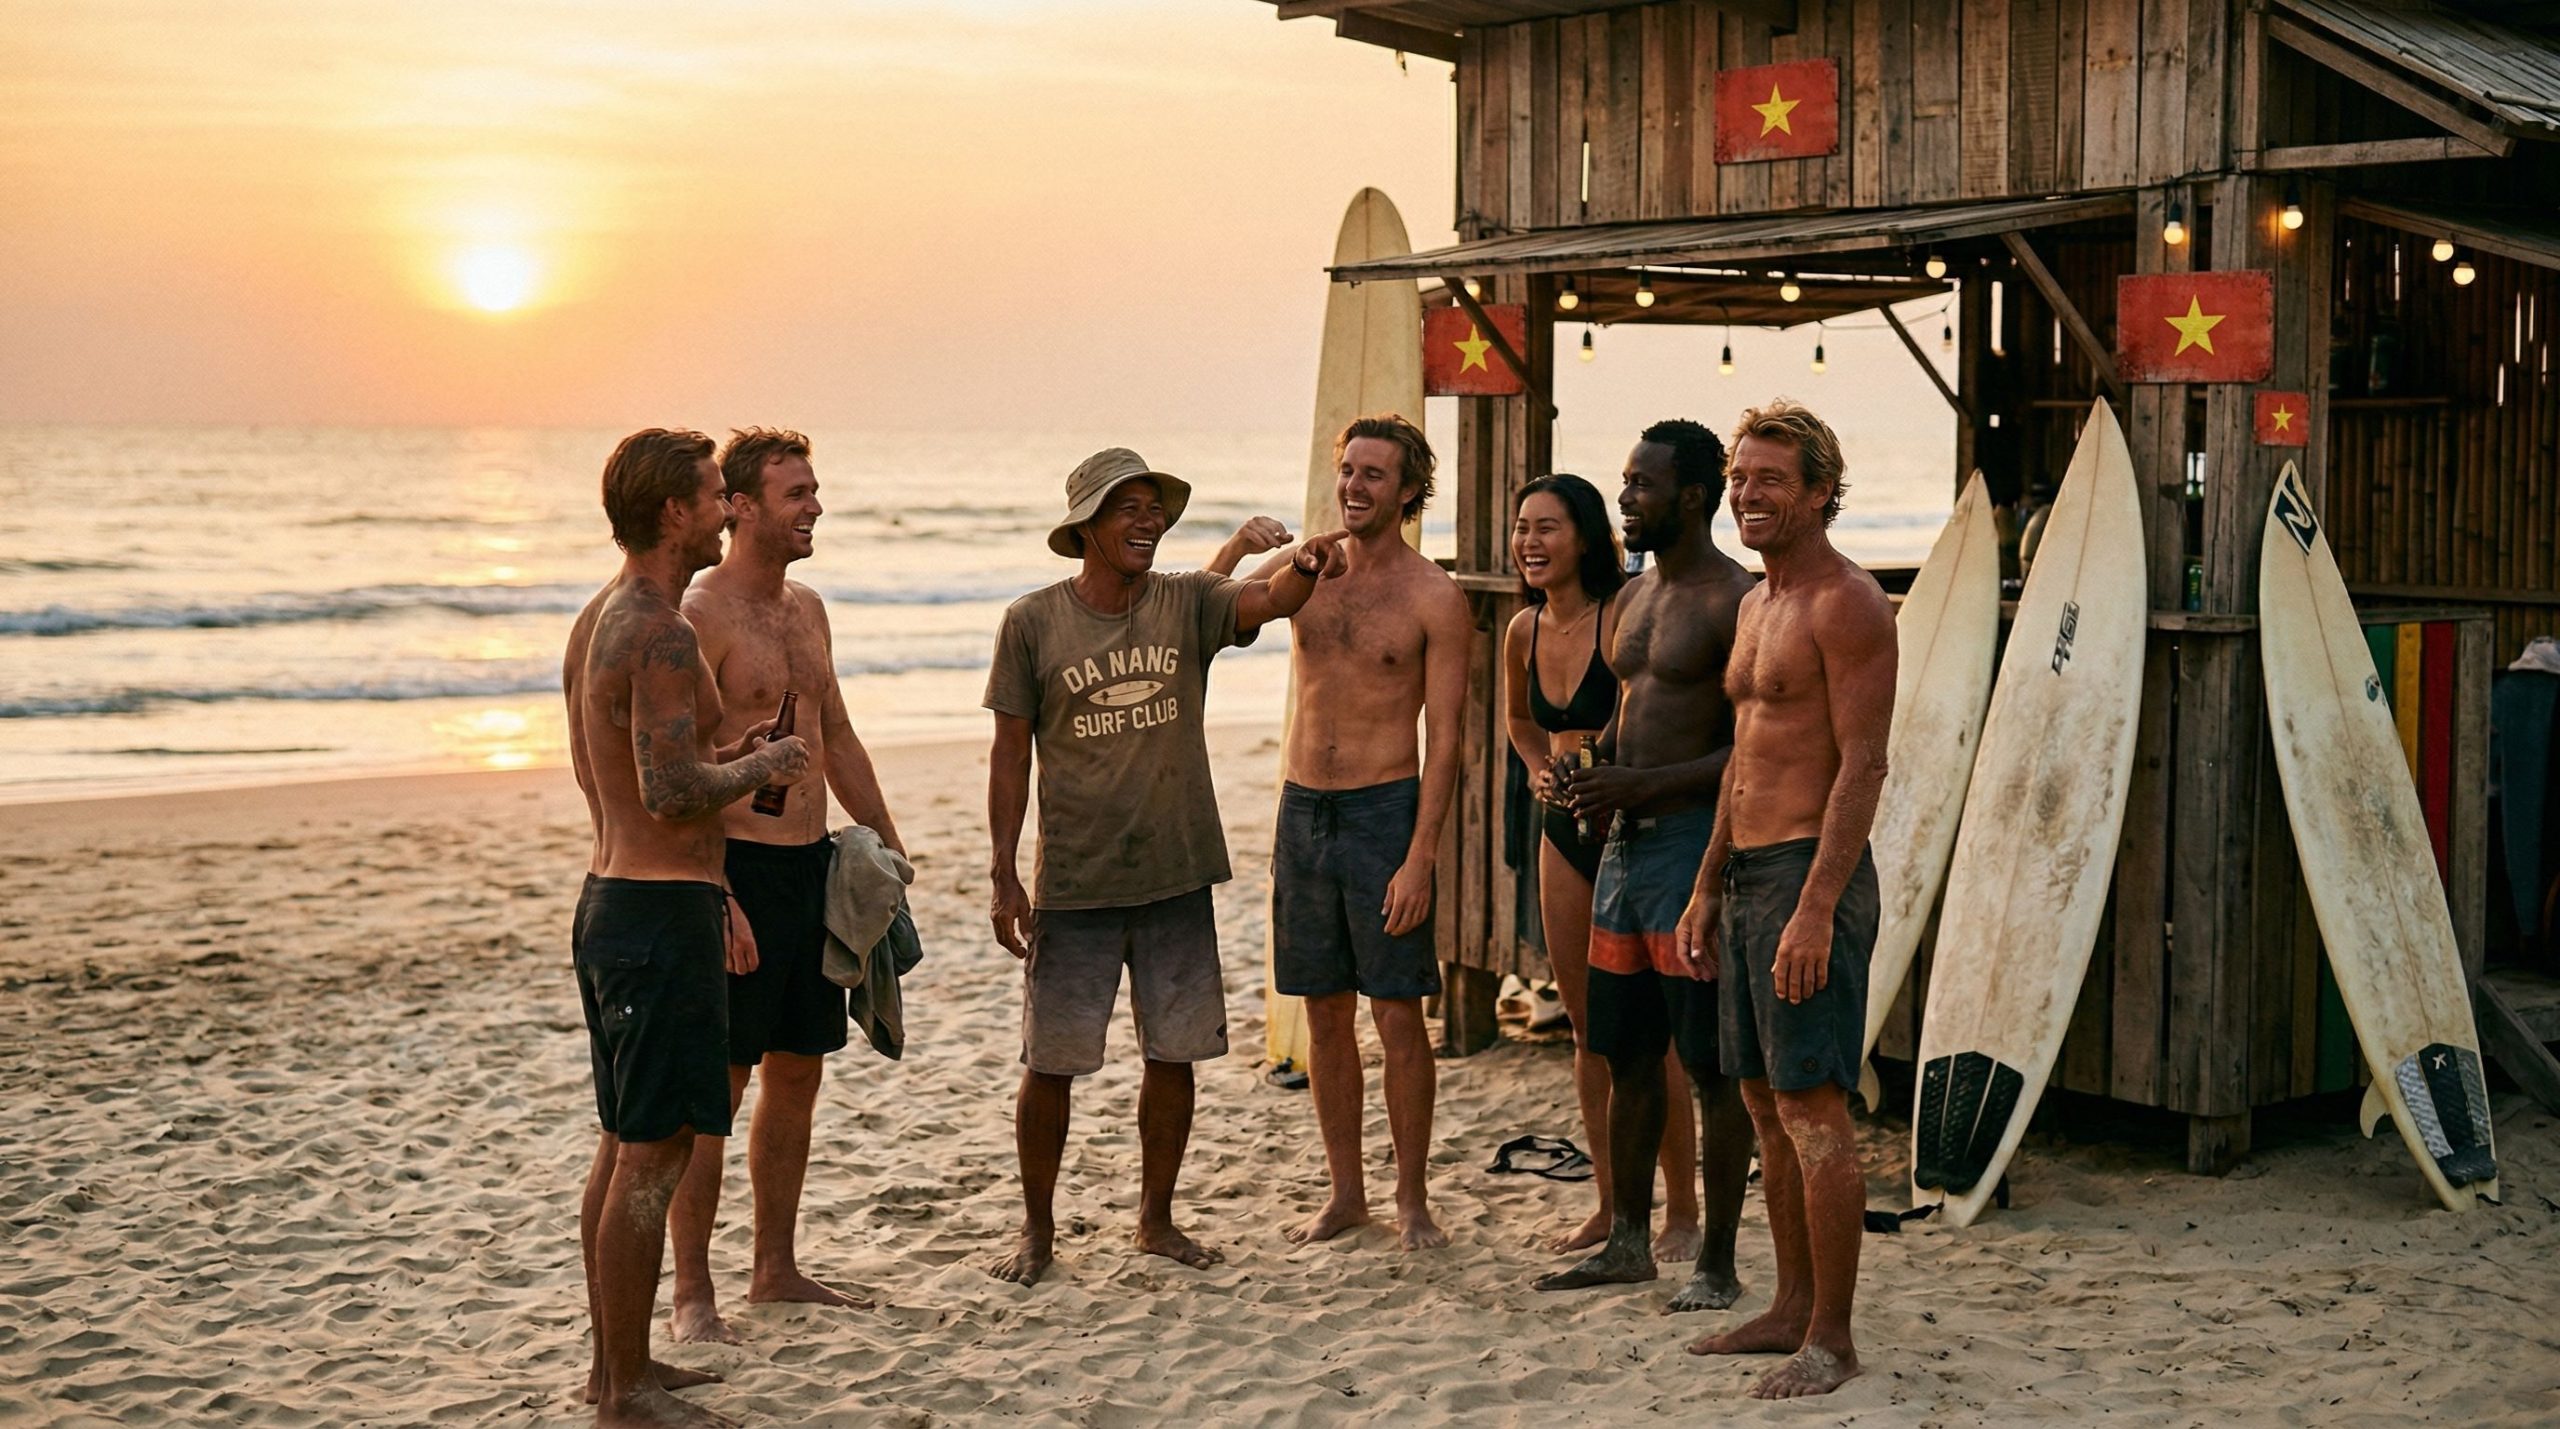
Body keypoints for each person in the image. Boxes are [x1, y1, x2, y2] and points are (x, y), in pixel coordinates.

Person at [983, 446, 1346, 1288]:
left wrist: (1308, 563)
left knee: (1173, 1055)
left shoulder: (1188, 599)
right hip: (1075, 880)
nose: (1148, 520)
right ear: (1086, 527)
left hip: (1178, 871)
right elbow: (1008, 758)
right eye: (1128, 507)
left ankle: (1156, 1219)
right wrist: (1004, 872)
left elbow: (1267, 598)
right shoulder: (1033, 622)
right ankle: (1037, 1231)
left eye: (1155, 507)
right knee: (1051, 1065)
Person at [562, 428, 809, 1429]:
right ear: (674, 512)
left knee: (624, 1143)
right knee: (653, 1153)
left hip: (613, 894)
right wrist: (768, 763)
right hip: (659, 910)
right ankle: (622, 1388)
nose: (723, 511)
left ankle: (617, 1366)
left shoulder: (598, 616)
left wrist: (729, 745)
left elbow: (614, 773)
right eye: (713, 495)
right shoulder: (660, 629)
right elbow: (670, 792)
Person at [666, 429, 905, 1344]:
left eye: (814, 490)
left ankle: (774, 1266)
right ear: (738, 506)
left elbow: (835, 731)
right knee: (716, 1088)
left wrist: (885, 842)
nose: (814, 505)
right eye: (796, 492)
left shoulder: (807, 607)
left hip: (813, 865)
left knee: (798, 1072)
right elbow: (682, 767)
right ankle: (694, 1293)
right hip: (734, 871)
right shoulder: (702, 612)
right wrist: (715, 890)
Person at [1677, 400, 1894, 1399]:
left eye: (1769, 479)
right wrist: (1707, 882)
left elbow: (1861, 765)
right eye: (1738, 477)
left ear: (1817, 492)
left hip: (1813, 875)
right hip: (1749, 877)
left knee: (1813, 1111)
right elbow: (1743, 758)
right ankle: (1789, 1307)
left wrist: (1815, 907)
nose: (1746, 494)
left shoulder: (1845, 603)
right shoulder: (1757, 604)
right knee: (1763, 1105)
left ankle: (1834, 1340)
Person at [1534, 420, 1754, 1316]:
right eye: (1624, 482)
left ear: (1694, 496)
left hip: (1691, 850)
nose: (1625, 497)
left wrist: (1643, 780)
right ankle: (1628, 1239)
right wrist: (1591, 773)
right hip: (1621, 849)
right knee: (1621, 1046)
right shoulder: (1631, 599)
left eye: (1642, 485)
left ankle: (1717, 1260)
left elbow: (1749, 750)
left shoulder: (1737, 600)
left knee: (1707, 1061)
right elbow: (1631, 712)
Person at [1234, 415, 1469, 1251]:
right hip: (1303, 811)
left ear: (1409, 490)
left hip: (1382, 814)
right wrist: (1243, 545)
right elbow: (1218, 614)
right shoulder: (1310, 569)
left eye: (1374, 474)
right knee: (1324, 1015)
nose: (1354, 487)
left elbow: (1448, 740)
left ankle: (1411, 1198)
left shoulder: (1434, 596)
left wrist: (1420, 856)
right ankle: (1346, 1195)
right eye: (1347, 471)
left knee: (1397, 1014)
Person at [1500, 474, 1703, 1261]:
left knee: (1657, 1034)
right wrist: (1534, 768)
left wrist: (1611, 769)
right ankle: (1613, 1203)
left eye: (1547, 527)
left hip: (1635, 826)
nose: (1530, 543)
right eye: (1522, 529)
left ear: (1585, 535)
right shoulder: (1522, 627)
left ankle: (1682, 1210)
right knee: (1588, 1029)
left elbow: (1649, 705)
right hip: (1561, 824)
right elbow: (1520, 721)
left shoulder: (1622, 613)